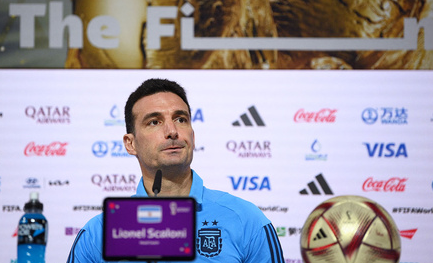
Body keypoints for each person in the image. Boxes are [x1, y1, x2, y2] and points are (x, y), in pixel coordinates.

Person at [66, 78, 285, 263]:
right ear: (130, 144)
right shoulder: (97, 235)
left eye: (181, 119)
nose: (172, 131)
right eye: (154, 122)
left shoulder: (247, 221)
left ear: (192, 134)